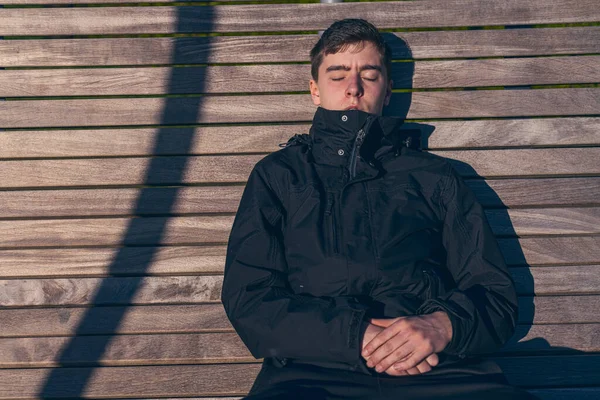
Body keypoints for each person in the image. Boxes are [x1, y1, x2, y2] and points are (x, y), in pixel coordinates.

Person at [221, 18, 537, 400]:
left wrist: (442, 325)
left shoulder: (435, 177)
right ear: (315, 91)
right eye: (337, 75)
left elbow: (494, 293)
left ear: (387, 91)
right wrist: (356, 336)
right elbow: (250, 298)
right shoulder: (279, 176)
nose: (353, 88)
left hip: (441, 368)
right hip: (314, 370)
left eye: (369, 75)